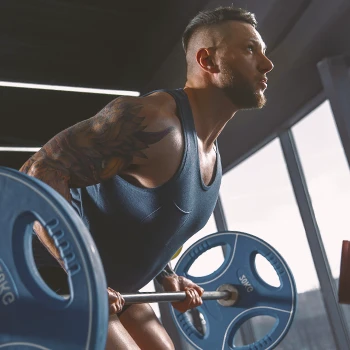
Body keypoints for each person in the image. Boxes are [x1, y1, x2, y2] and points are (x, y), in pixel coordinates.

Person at [20, 5, 273, 350]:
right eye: (249, 49)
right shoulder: (152, 121)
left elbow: (137, 229)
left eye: (263, 51)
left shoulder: (210, 157)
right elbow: (39, 172)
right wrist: (83, 274)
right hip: (42, 273)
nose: (266, 63)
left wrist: (168, 277)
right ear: (207, 61)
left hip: (117, 289)